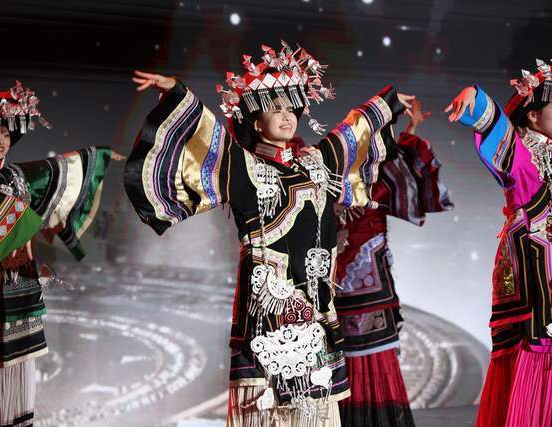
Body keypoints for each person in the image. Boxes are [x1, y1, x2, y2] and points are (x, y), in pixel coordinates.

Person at [124, 41, 414, 426]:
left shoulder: (316, 164)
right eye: (274, 109)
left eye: (290, 108)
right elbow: (207, 135)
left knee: (317, 411)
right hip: (267, 317)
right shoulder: (244, 169)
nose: (286, 116)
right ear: (255, 121)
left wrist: (387, 105)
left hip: (315, 313)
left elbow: (351, 134)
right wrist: (177, 92)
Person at [445, 45, 552, 426]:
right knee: (534, 346)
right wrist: (474, 95)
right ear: (533, 115)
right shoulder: (520, 155)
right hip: (530, 262)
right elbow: (493, 123)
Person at [0, 81, 121, 426]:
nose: (1, 139)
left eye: (6, 131)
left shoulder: (18, 178)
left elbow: (59, 171)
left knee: (18, 372)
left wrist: (98, 157)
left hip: (20, 292)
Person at [335, 98, 452, 426]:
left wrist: (411, 129)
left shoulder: (378, 177)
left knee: (375, 360)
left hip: (370, 286)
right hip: (338, 289)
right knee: (342, 362)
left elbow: (407, 169)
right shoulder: (323, 173)